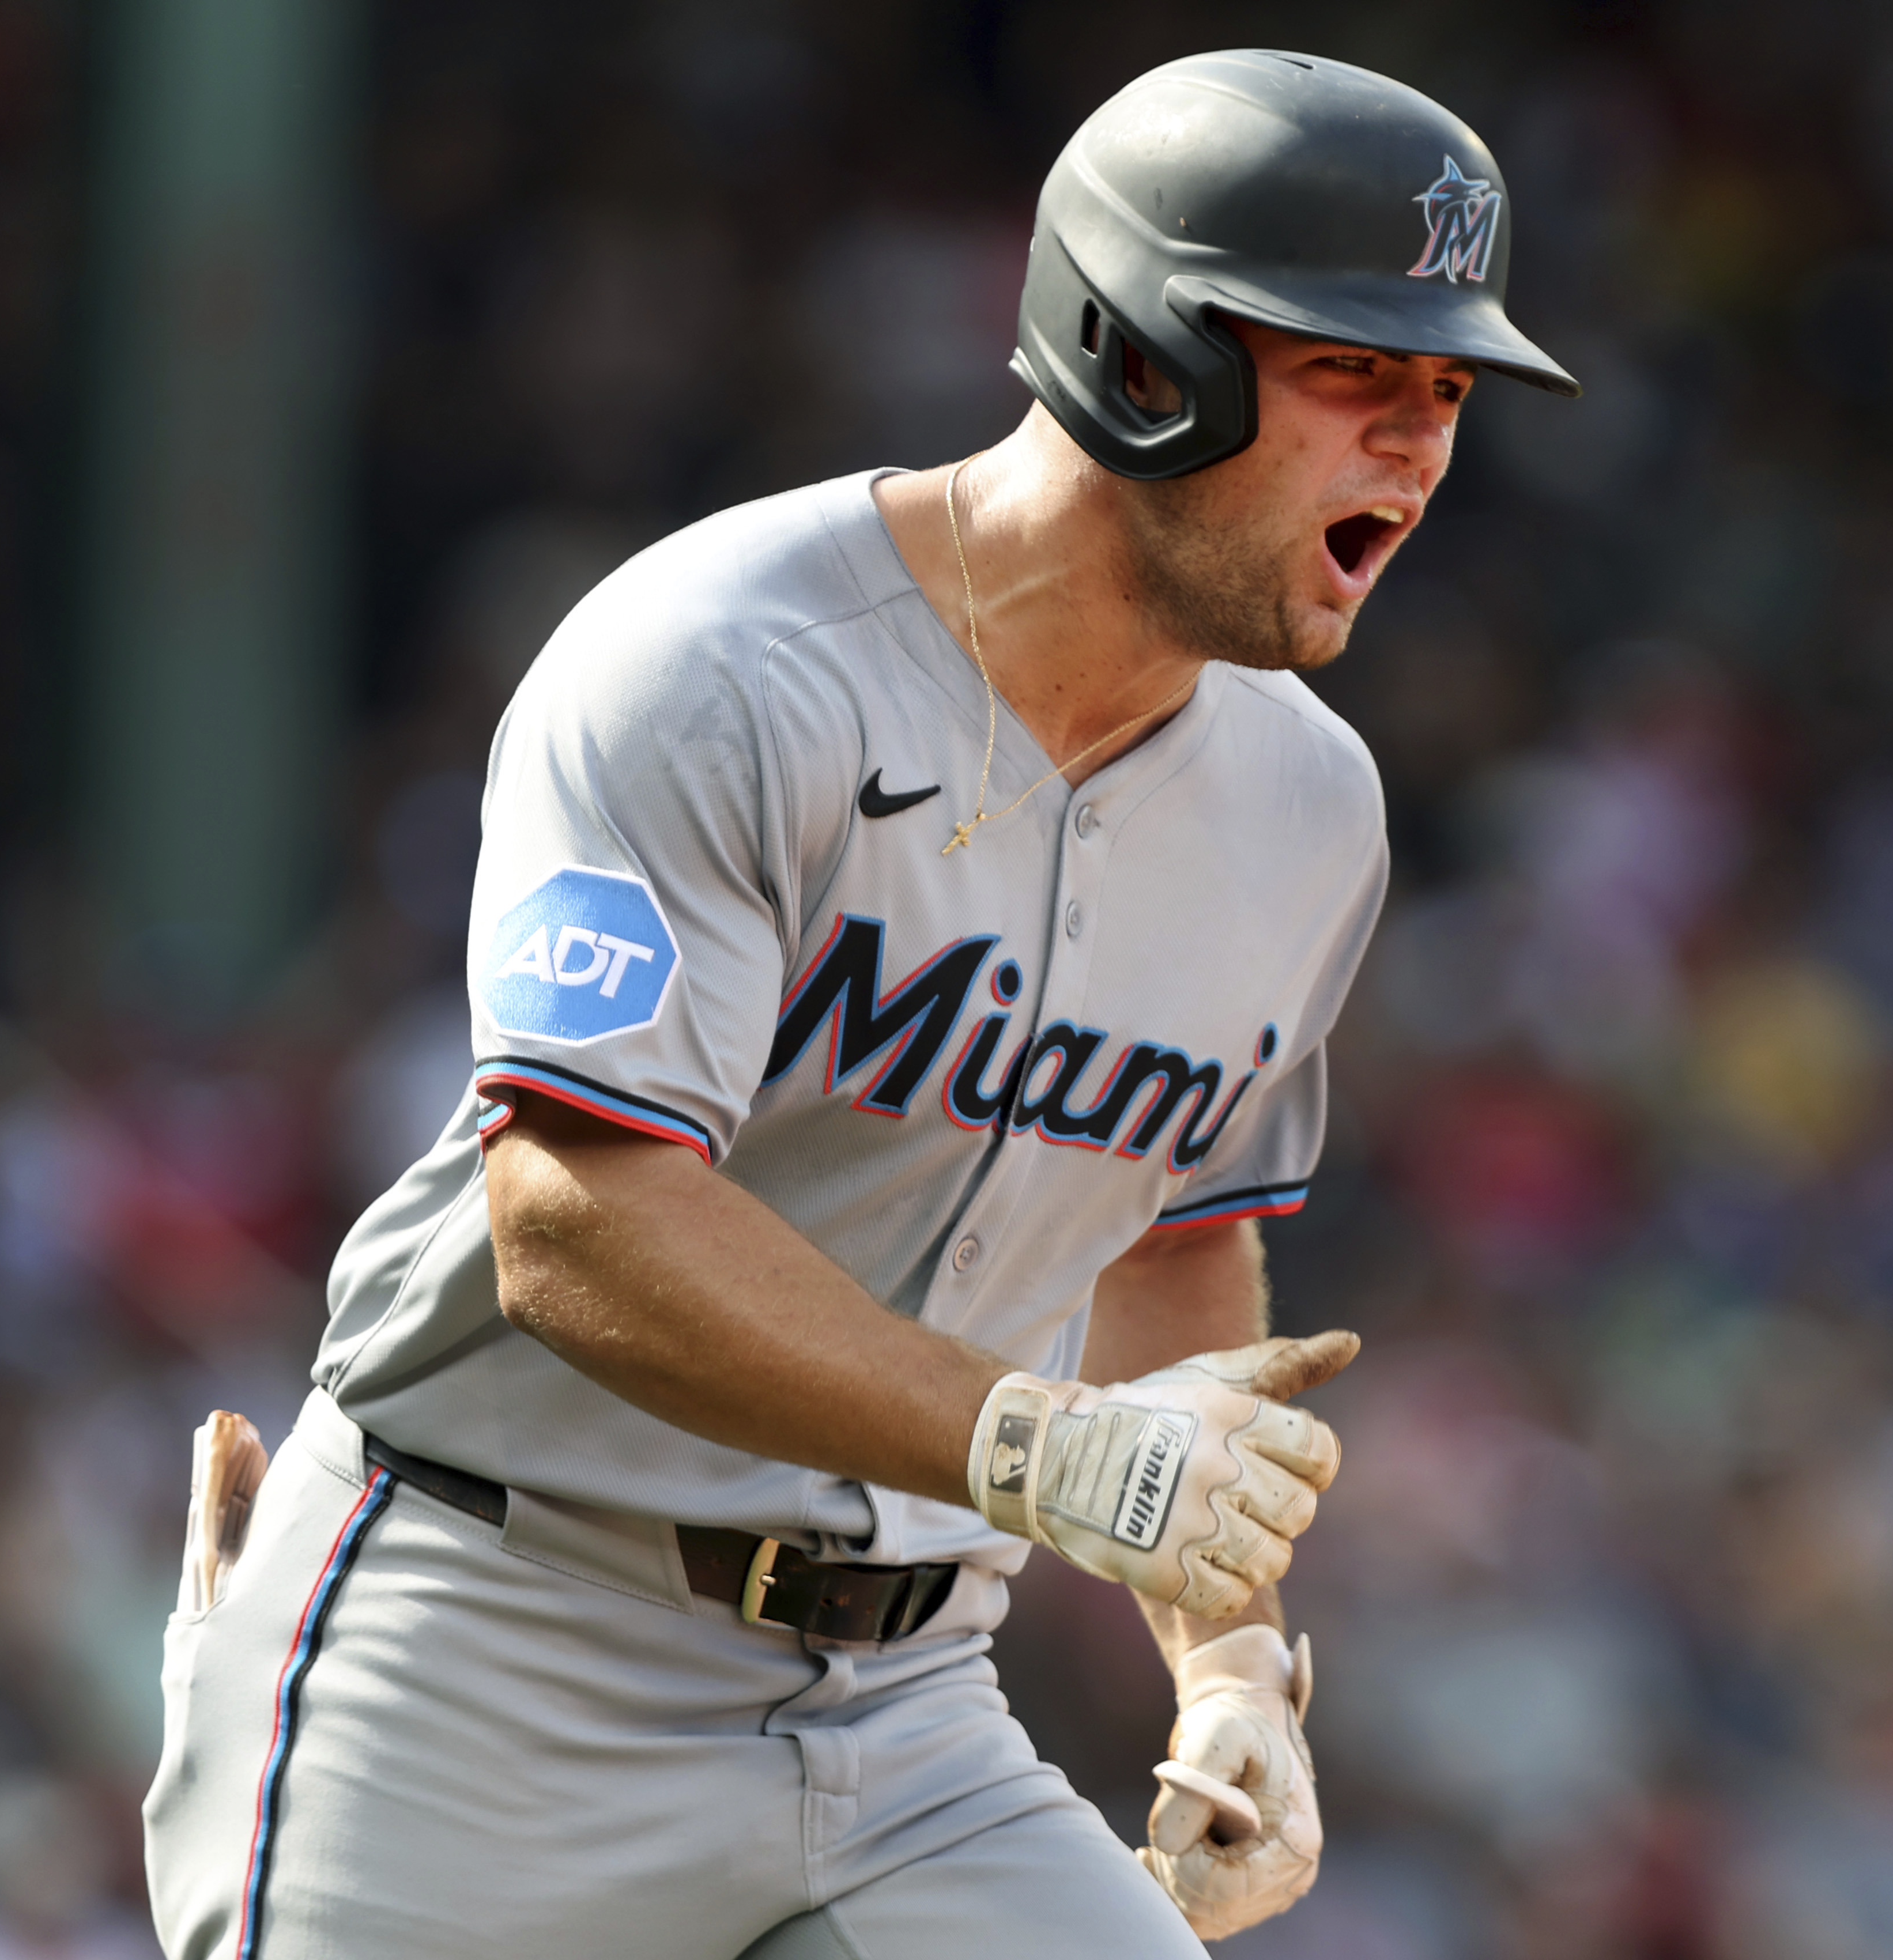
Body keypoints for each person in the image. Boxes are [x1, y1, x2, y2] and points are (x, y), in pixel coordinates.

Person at [142, 47, 1575, 1960]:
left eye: (1450, 391)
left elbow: (1171, 1246)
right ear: (1147, 360)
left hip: (906, 1712)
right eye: (1357, 377)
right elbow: (575, 1219)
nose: (1420, 446)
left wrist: (1227, 1665)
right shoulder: (722, 664)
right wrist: (1037, 1446)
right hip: (493, 1641)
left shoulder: (1312, 808)